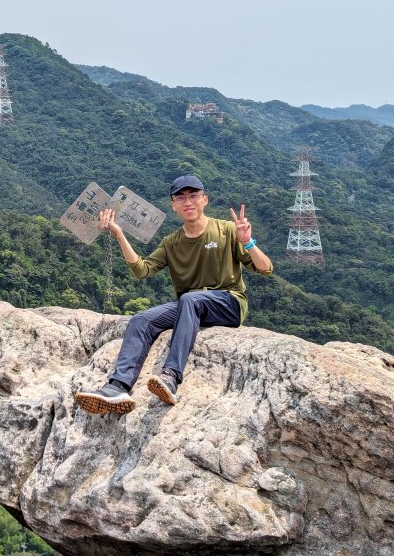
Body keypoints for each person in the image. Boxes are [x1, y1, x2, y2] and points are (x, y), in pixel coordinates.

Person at [76, 174, 273, 412]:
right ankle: (118, 387)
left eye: (193, 196)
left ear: (205, 200)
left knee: (190, 299)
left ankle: (171, 376)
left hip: (228, 302)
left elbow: (265, 268)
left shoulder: (227, 230)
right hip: (192, 306)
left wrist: (248, 242)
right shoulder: (172, 242)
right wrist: (118, 233)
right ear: (173, 204)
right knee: (141, 320)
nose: (187, 201)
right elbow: (143, 270)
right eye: (180, 197)